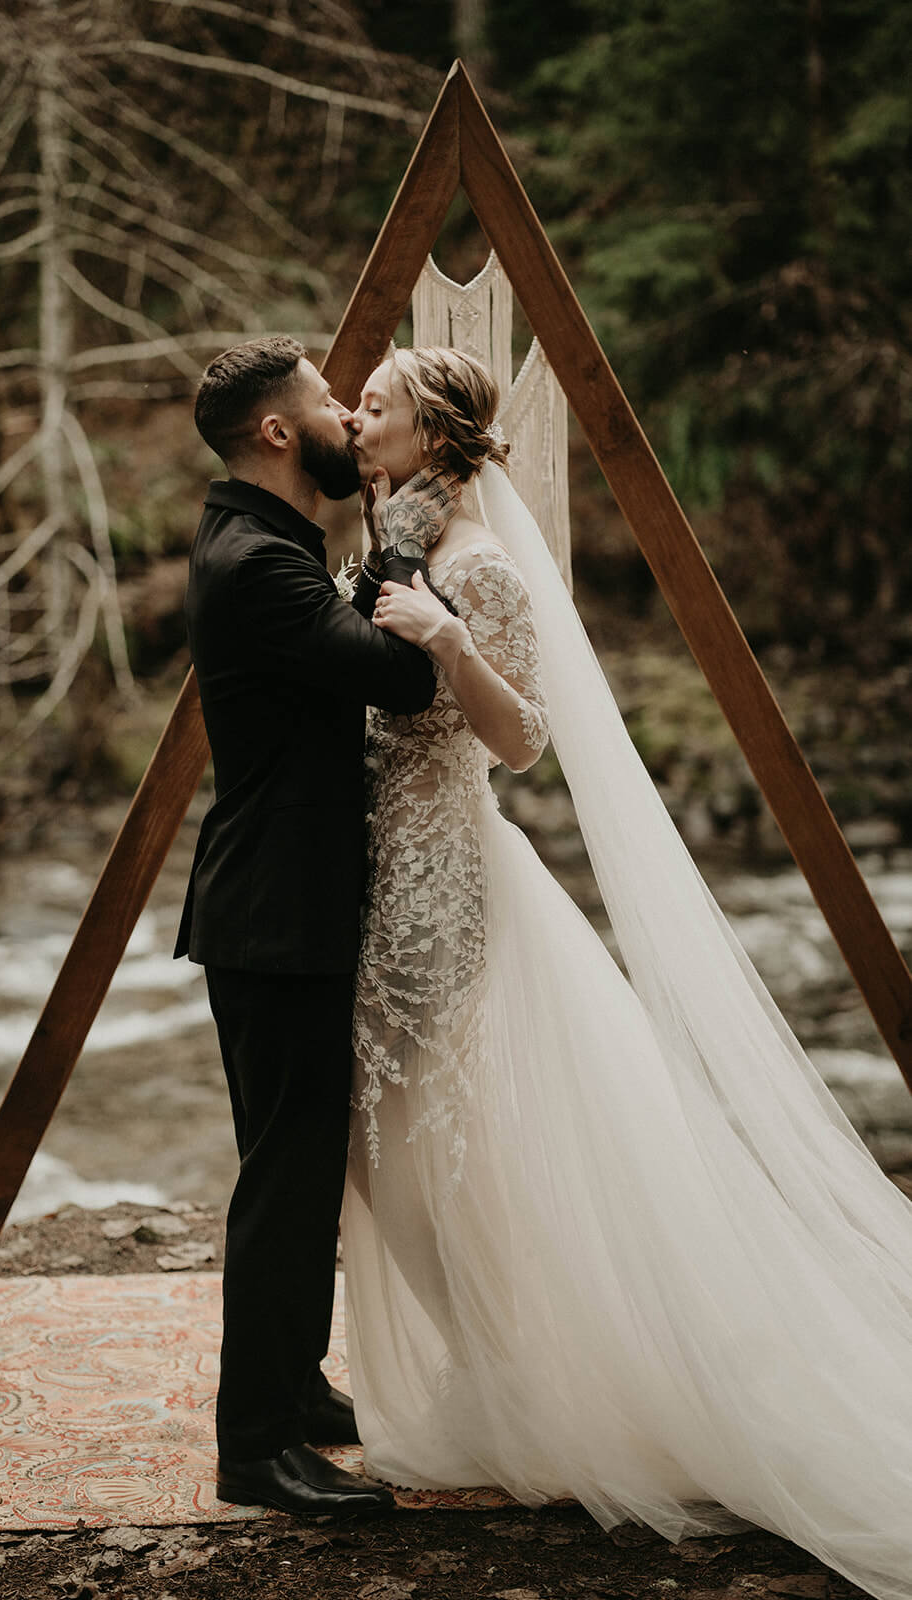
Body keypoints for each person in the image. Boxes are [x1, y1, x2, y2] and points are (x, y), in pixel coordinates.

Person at [342, 345, 912, 1600]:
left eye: (372, 403)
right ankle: (494, 1361)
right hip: (372, 871)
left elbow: (522, 740)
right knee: (388, 1160)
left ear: (430, 432)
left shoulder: (476, 564)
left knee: (416, 1148)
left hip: (442, 873)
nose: (352, 415)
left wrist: (447, 641)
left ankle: (519, 1375)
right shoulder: (385, 531)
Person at [175, 336, 461, 1518]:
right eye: (329, 406)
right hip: (277, 915)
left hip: (272, 907)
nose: (353, 418)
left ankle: (289, 1388)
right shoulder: (258, 564)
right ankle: (255, 1451)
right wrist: (399, 547)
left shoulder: (271, 544)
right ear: (280, 434)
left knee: (291, 1166)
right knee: (285, 1179)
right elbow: (398, 682)